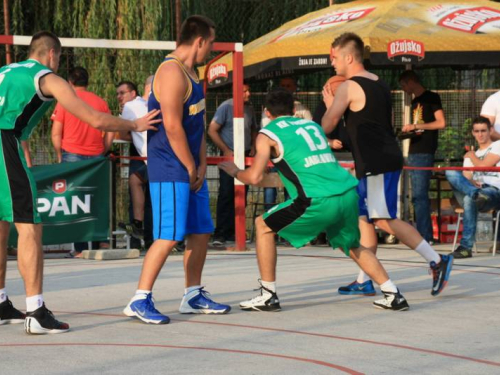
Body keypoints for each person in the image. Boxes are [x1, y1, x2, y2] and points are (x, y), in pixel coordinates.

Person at [0, 31, 159, 334]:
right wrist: (134, 124)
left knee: (1, 224)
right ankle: (35, 310)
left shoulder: (5, 71)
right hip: (3, 142)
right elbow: (95, 119)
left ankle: (1, 302)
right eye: (57, 57)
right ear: (52, 55)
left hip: (6, 140)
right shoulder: (47, 77)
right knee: (29, 226)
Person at [219, 88, 409, 311]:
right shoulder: (313, 127)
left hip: (316, 199)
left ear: (267, 112)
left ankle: (268, 295)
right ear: (293, 110)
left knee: (262, 225)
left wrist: (234, 171)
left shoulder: (267, 134)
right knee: (352, 244)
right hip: (347, 192)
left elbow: (254, 176)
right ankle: (392, 292)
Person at [321, 32, 453, 297]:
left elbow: (327, 125)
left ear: (348, 57)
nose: (332, 63)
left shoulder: (347, 87)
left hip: (376, 162)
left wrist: (329, 103)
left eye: (334, 57)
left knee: (383, 219)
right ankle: (365, 279)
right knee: (364, 219)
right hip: (380, 158)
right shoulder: (380, 83)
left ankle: (437, 260)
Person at [123, 15, 230, 325]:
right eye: (210, 43)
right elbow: (171, 125)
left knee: (201, 231)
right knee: (168, 235)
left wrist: (199, 164)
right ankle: (140, 298)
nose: (211, 49)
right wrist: (187, 165)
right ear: (199, 41)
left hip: (189, 165)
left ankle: (192, 294)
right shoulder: (170, 72)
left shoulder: (194, 74)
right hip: (170, 166)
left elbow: (195, 124)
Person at [51, 66, 114, 257]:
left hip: (72, 154)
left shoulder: (65, 102)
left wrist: (60, 154)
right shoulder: (100, 102)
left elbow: (56, 132)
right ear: (87, 82)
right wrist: (103, 148)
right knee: (96, 198)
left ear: (70, 83)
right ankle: (101, 241)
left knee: (75, 201)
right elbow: (110, 128)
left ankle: (80, 248)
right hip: (96, 156)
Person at [399, 70, 446, 243]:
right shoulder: (415, 102)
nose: (403, 89)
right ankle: (423, 233)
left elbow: (441, 122)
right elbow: (418, 128)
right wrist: (409, 131)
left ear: (411, 81)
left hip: (424, 151)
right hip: (414, 149)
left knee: (419, 195)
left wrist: (417, 126)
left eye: (404, 85)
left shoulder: (431, 97)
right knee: (416, 195)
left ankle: (425, 236)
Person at [208, 84, 257, 246]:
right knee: (227, 193)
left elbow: (253, 129)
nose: (248, 94)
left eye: (248, 90)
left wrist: (254, 147)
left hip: (245, 154)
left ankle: (235, 231)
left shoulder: (249, 109)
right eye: (244, 91)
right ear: (236, 92)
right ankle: (220, 232)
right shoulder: (225, 107)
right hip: (230, 155)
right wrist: (225, 149)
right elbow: (212, 130)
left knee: (243, 192)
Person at [446, 117, 500, 258]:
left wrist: (471, 155)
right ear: (473, 133)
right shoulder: (469, 157)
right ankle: (475, 194)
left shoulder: (498, 145)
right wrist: (470, 183)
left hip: (493, 191)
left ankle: (465, 247)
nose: (480, 134)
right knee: (450, 172)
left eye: (483, 130)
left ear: (490, 131)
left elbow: (485, 165)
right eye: (477, 131)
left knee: (470, 200)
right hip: (477, 190)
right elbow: (466, 176)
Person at [262, 77, 312, 209]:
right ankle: (270, 216)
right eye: (283, 85)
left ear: (294, 87)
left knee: (292, 192)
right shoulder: (269, 109)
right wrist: (265, 160)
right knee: (269, 191)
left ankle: (292, 216)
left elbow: (310, 133)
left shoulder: (302, 108)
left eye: (288, 85)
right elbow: (265, 134)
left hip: (294, 159)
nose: (286, 88)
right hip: (274, 158)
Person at [117, 77, 154, 248]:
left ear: (133, 93)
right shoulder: (152, 104)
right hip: (152, 153)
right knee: (138, 183)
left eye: (122, 93)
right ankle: (147, 234)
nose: (119, 96)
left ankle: (138, 227)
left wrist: (133, 130)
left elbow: (122, 134)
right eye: (118, 93)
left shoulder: (130, 106)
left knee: (137, 184)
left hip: (147, 154)